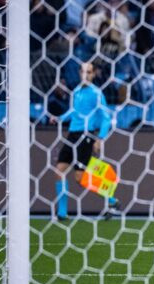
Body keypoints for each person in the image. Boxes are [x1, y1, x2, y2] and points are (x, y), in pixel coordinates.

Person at [50, 62, 119, 221]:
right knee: (59, 170)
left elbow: (106, 118)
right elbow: (74, 112)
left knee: (79, 178)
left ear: (93, 74)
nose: (85, 75)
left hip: (86, 136)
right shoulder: (76, 91)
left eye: (89, 72)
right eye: (83, 72)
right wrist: (60, 118)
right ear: (80, 73)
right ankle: (62, 213)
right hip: (72, 135)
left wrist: (100, 138)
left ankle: (111, 199)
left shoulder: (96, 93)